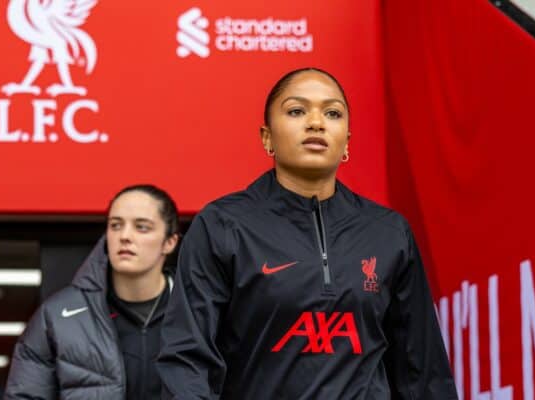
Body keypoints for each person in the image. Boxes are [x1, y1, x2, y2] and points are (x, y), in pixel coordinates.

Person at [157, 67, 457, 399]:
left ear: (346, 141)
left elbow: (422, 368)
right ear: (267, 138)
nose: (316, 122)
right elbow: (187, 357)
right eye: (297, 110)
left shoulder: (389, 233)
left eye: (332, 113)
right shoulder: (223, 225)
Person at [4, 185, 180, 399]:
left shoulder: (200, 314)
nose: (125, 236)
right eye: (115, 225)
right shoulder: (58, 316)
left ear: (169, 242)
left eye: (142, 227)